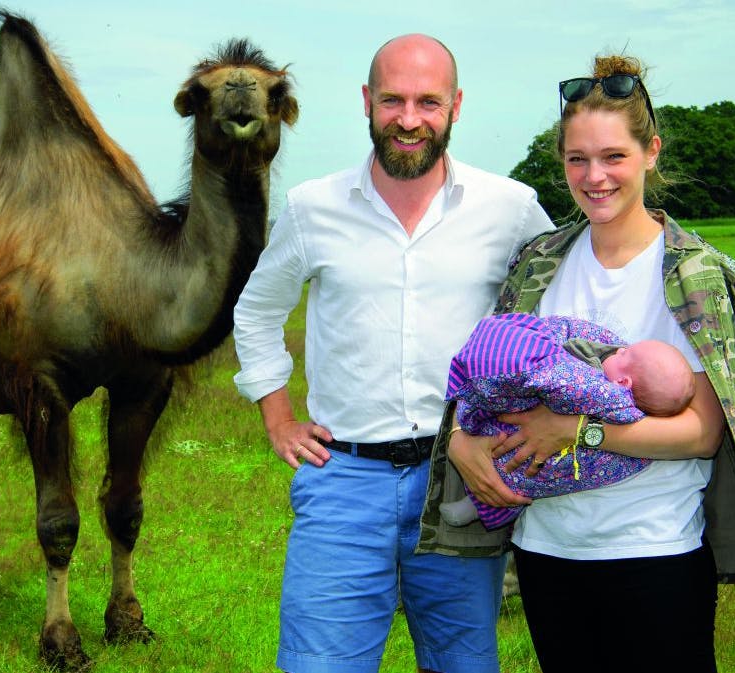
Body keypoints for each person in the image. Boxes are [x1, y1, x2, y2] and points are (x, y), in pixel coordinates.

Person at [416, 55, 735, 673]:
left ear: (650, 152)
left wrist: (576, 430)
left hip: (656, 554)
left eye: (614, 157)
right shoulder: (537, 265)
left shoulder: (695, 276)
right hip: (548, 551)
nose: (594, 176)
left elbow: (702, 434)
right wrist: (467, 443)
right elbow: (485, 375)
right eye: (577, 159)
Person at [232, 34, 554, 673]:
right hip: (344, 484)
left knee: (462, 665)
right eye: (393, 100)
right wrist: (277, 417)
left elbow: (556, 319)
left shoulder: (511, 209)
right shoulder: (313, 208)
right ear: (366, 103)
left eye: (428, 101)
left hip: (461, 480)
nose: (409, 119)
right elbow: (257, 312)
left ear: (456, 105)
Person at [437, 312, 696, 530]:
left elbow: (567, 387)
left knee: (523, 462)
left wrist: (572, 426)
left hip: (640, 528)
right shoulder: (539, 261)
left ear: (624, 382)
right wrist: (458, 432)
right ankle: (486, 500)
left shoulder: (610, 396)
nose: (618, 350)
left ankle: (486, 504)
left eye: (624, 356)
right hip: (545, 538)